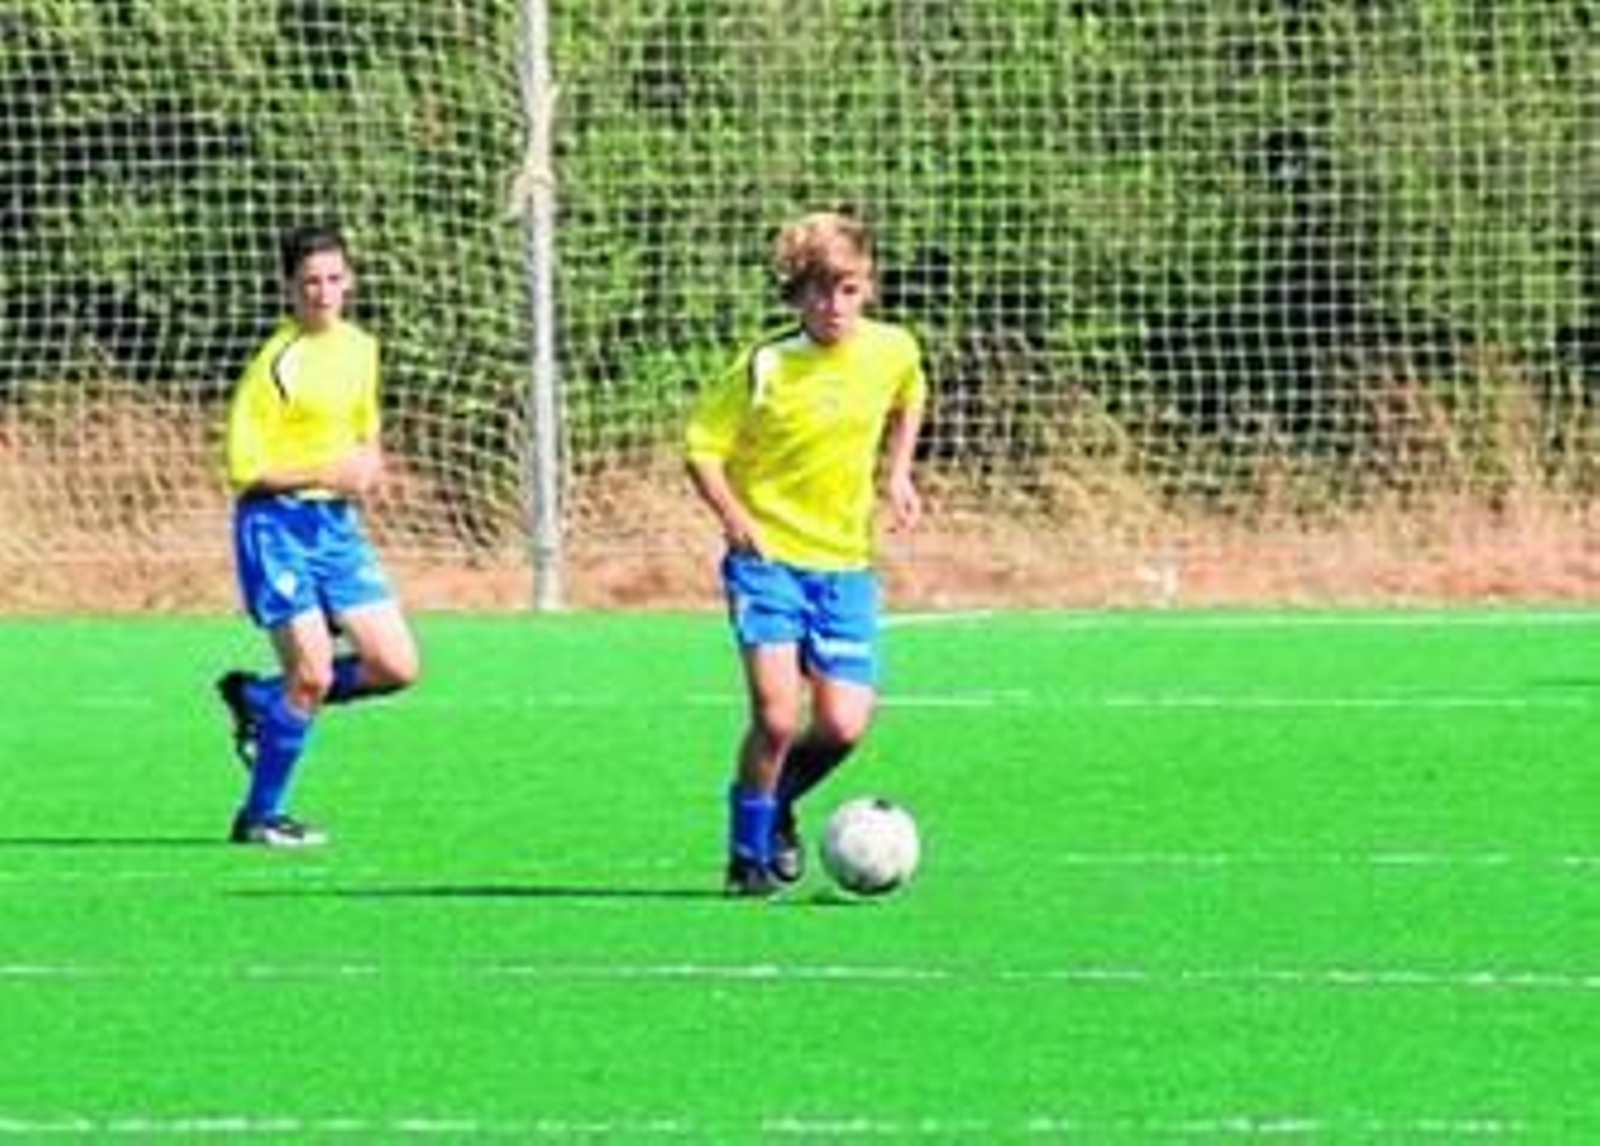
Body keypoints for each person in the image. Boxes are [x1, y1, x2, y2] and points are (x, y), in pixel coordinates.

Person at [684, 209, 927, 896]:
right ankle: (746, 857)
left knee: (845, 723)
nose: (834, 306)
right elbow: (701, 447)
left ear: (868, 287)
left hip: (844, 564)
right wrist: (732, 517)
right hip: (768, 560)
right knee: (777, 714)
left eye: (848, 289)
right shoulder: (766, 366)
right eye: (818, 291)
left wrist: (898, 472)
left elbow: (911, 396)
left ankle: (779, 803)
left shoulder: (892, 350)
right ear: (795, 295)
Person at [214, 222, 420, 847]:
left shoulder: (361, 346)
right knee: (313, 675)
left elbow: (365, 426)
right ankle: (259, 816)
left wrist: (370, 462)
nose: (324, 293)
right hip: (275, 525)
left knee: (396, 666)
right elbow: (244, 472)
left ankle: (259, 698)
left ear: (349, 281)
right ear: (288, 289)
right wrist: (324, 471)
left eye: (334, 279)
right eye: (310, 283)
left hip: (334, 527)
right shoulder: (275, 366)